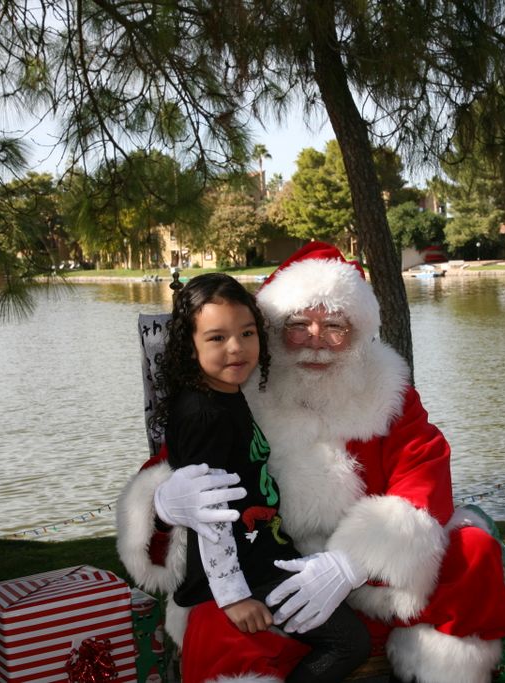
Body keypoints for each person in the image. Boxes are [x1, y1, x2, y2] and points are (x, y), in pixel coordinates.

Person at [117, 243, 505, 683]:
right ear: (272, 327)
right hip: (267, 568)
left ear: (358, 331)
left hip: (369, 576)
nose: (316, 341)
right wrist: (164, 502)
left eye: (335, 326)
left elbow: (424, 470)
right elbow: (169, 465)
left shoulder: (387, 392)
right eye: (297, 326)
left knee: (473, 553)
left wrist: (351, 563)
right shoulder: (236, 386)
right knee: (220, 623)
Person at [150, 272, 370, 683]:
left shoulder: (226, 393)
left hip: (262, 552)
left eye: (247, 333)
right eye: (216, 338)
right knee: (349, 643)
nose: (236, 349)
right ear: (189, 345)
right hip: (244, 572)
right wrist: (233, 597)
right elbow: (210, 513)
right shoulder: (203, 413)